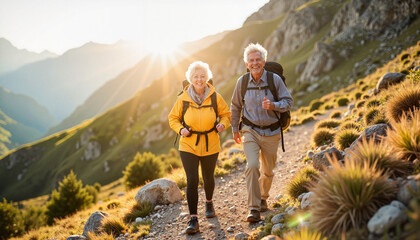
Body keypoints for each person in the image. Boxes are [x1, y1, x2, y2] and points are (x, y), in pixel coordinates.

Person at [230, 43, 293, 222]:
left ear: (264, 61)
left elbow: (288, 102)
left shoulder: (275, 80)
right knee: (252, 165)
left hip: (272, 132)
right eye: (251, 60)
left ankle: (263, 198)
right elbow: (235, 107)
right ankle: (254, 208)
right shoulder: (241, 82)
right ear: (246, 63)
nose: (255, 63)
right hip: (250, 130)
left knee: (268, 171)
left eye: (258, 59)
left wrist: (274, 105)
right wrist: (235, 129)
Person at [168, 61, 231, 234]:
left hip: (211, 142)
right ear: (190, 78)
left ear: (207, 77)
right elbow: (173, 118)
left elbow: (226, 114)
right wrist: (181, 129)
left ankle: (209, 202)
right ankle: (193, 218)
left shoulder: (215, 96)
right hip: (188, 144)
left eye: (202, 76)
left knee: (208, 177)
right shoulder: (183, 98)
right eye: (196, 76)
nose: (199, 79)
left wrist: (223, 125)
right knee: (192, 180)